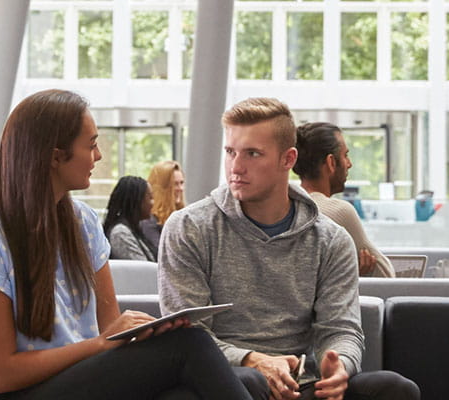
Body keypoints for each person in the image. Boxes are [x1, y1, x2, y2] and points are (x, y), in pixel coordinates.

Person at [0, 89, 248, 399]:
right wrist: (99, 344)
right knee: (192, 345)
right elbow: (3, 374)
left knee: (223, 386)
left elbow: (110, 326)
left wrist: (143, 333)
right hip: (24, 391)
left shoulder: (82, 221)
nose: (98, 156)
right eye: (92, 145)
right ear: (56, 157)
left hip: (84, 374)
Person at [157, 98, 419, 400]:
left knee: (395, 389)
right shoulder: (189, 227)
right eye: (231, 152)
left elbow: (341, 329)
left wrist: (340, 367)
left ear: (288, 159)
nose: (236, 167)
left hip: (302, 384)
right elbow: (190, 337)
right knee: (228, 386)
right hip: (223, 379)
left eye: (253, 154)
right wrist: (253, 361)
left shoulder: (331, 239)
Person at [294, 121, 394, 278]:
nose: (349, 164)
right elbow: (386, 275)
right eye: (345, 155)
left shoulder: (286, 205)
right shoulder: (340, 212)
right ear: (331, 163)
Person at [102, 175, 157, 261]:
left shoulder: (135, 229)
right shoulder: (120, 233)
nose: (153, 203)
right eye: (150, 197)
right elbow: (142, 270)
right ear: (137, 200)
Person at [140, 160, 185, 253]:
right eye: (175, 184)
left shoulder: (183, 216)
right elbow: (162, 254)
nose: (180, 188)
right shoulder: (149, 221)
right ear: (161, 188)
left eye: (182, 183)